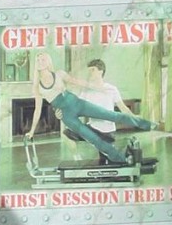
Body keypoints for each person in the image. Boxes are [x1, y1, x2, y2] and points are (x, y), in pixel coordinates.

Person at [26, 51, 156, 166]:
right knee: (94, 140)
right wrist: (31, 131)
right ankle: (122, 159)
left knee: (112, 115)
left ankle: (148, 125)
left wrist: (97, 87)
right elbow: (37, 110)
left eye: (42, 59)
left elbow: (78, 82)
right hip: (66, 115)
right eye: (37, 60)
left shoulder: (59, 74)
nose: (39, 61)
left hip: (76, 103)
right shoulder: (37, 86)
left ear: (48, 61)